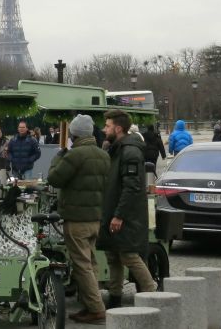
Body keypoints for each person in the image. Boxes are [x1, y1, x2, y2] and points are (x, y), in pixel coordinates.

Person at [48, 114, 110, 324]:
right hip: (94, 218)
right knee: (90, 263)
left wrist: (59, 156)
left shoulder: (74, 156)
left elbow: (54, 178)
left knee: (82, 265)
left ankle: (96, 309)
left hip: (76, 219)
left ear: (74, 135)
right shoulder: (103, 155)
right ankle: (88, 305)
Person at [97, 110, 158, 309]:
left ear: (118, 128)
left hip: (126, 215)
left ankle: (153, 295)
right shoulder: (117, 148)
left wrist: (119, 215)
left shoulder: (130, 151)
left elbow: (131, 188)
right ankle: (114, 300)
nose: (104, 129)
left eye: (107, 126)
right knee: (113, 255)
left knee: (129, 256)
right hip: (114, 211)